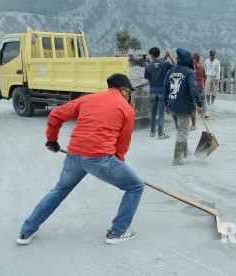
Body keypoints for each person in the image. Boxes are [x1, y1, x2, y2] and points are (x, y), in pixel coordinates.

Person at [17, 73, 144, 245]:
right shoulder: (126, 109)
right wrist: (117, 164)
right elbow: (122, 144)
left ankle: (26, 231)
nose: (130, 96)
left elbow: (55, 115)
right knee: (135, 186)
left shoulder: (87, 99)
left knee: (58, 191)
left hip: (74, 157)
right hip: (100, 159)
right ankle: (118, 232)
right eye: (129, 92)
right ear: (123, 90)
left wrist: (52, 140)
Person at [164, 48, 204, 166]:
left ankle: (185, 151)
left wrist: (166, 104)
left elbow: (165, 88)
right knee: (182, 132)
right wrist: (199, 104)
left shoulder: (170, 71)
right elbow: (194, 89)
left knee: (180, 130)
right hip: (184, 108)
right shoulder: (189, 72)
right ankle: (177, 159)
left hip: (172, 107)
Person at [144, 47, 176, 139]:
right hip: (162, 91)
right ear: (158, 54)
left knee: (153, 113)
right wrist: (170, 55)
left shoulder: (148, 66)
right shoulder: (165, 64)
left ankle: (152, 132)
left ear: (151, 55)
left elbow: (148, 81)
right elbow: (176, 65)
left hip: (152, 92)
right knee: (161, 113)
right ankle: (160, 134)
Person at [190, 51, 207, 130]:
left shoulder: (192, 65)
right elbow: (205, 75)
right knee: (202, 101)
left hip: (195, 86)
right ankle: (203, 115)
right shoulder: (202, 65)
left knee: (193, 103)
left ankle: (193, 124)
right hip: (201, 85)